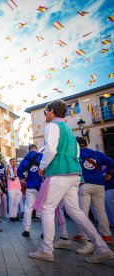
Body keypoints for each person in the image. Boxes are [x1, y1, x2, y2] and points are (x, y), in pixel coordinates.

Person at [28, 99, 114, 263]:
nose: (45, 115)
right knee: (76, 211)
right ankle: (101, 247)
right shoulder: (68, 129)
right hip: (74, 173)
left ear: (51, 111)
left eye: (46, 111)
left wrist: (42, 167)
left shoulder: (52, 126)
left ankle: (46, 249)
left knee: (47, 209)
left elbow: (51, 149)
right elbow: (75, 153)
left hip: (60, 172)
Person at [75, 136, 114, 246]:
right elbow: (111, 163)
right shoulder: (97, 154)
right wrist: (108, 174)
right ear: (86, 143)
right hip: (99, 185)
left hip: (84, 185)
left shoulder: (76, 155)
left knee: (83, 211)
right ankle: (106, 235)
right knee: (100, 210)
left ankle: (84, 236)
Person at [17, 144, 43, 237]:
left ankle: (26, 230)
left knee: (28, 209)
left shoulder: (25, 160)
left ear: (29, 150)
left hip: (30, 187)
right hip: (41, 186)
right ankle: (45, 232)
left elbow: (19, 172)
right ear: (36, 149)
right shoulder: (41, 156)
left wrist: (24, 178)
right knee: (44, 209)